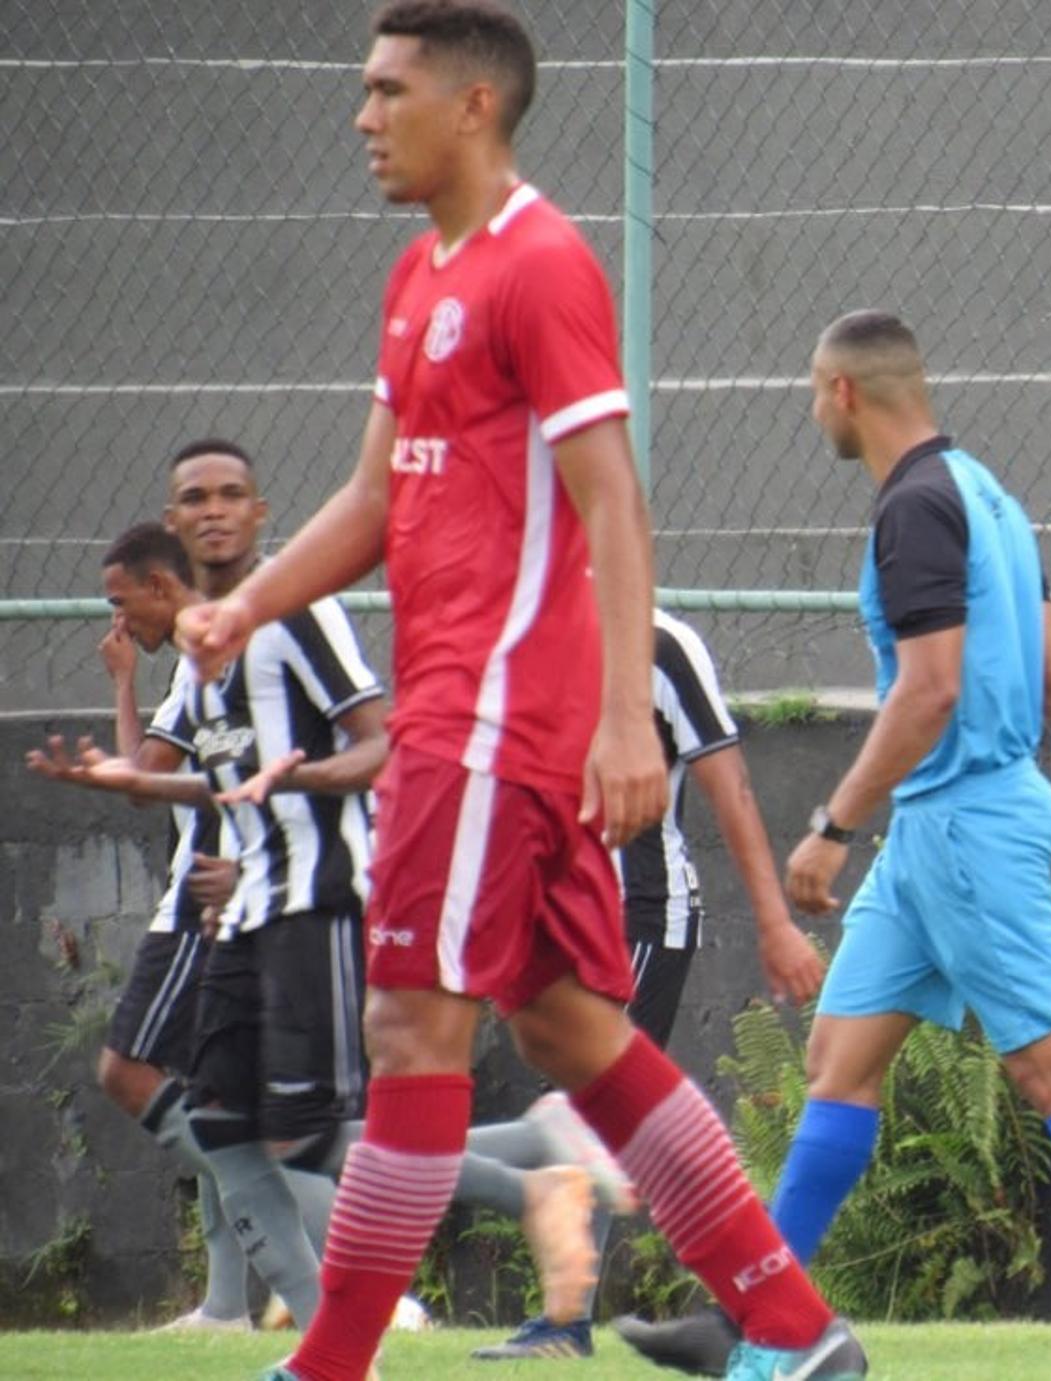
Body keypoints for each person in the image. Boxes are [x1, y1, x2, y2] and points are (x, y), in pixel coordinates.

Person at [175, 6, 862, 1379]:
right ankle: (798, 1336)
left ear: (474, 103)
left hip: (489, 725)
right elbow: (376, 494)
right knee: (572, 1033)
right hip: (474, 723)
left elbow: (615, 506)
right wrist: (248, 600)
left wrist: (621, 718)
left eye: (387, 92)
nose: (363, 118)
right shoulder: (417, 276)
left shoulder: (539, 265)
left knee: (409, 1021)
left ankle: (329, 1363)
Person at [625, 310, 1051, 1378]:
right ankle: (757, 1321)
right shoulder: (991, 495)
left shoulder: (912, 509)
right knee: (837, 1063)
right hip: (942, 828)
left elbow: (930, 690)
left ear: (846, 392)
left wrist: (831, 824)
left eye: (814, 390)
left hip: (962, 824)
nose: (813, 409)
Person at [477, 609, 827, 1361]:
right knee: (601, 1122)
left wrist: (774, 923)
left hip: (638, 911)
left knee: (592, 1112)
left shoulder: (660, 643)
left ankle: (577, 1317)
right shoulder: (513, 630)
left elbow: (727, 781)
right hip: (546, 913)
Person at [25, 521, 249, 1329]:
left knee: (127, 1072)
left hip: (205, 902)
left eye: (123, 604)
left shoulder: (209, 659)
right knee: (212, 1098)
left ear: (162, 587)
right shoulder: (213, 657)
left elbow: (142, 782)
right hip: (223, 896)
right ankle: (227, 1303)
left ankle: (300, 1245)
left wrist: (121, 685)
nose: (119, 624)